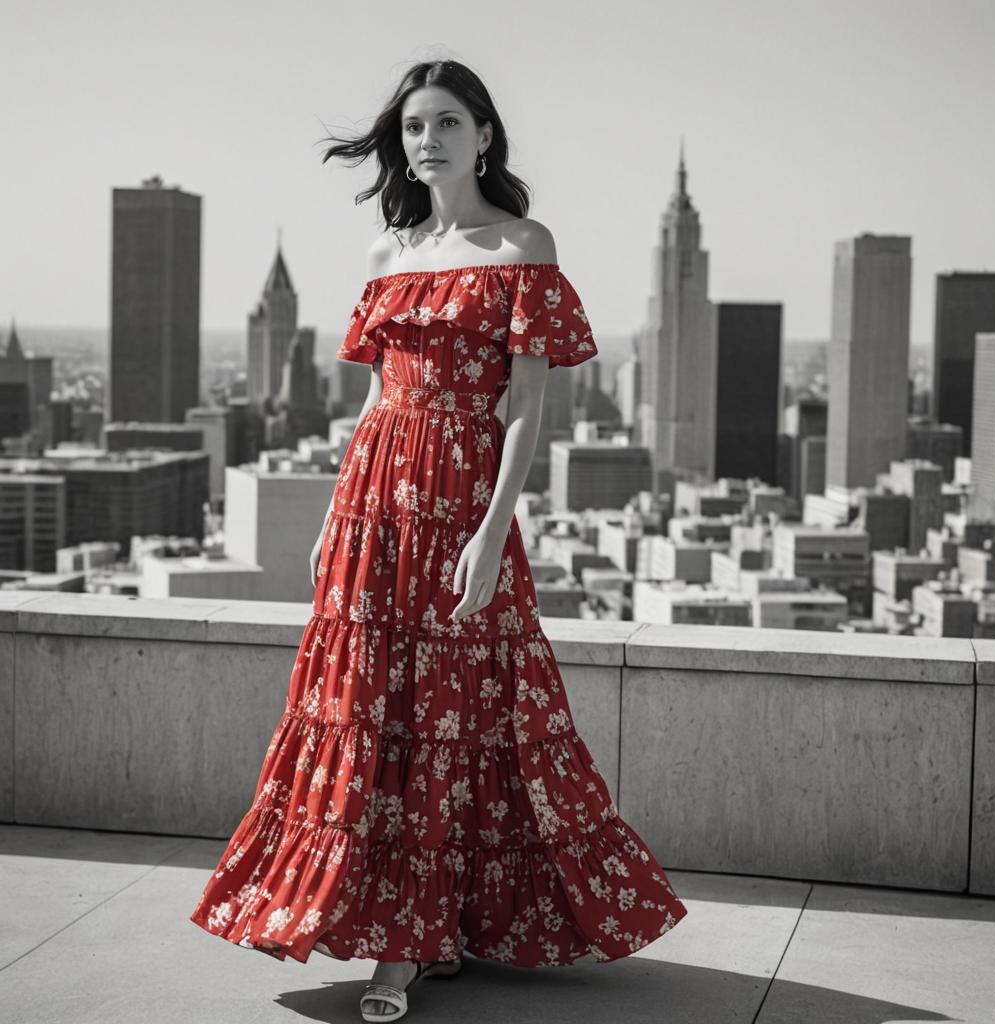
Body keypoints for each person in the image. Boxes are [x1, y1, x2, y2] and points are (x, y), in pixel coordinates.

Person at [189, 58, 687, 1022]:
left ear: (485, 135)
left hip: (461, 499)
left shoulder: (523, 245)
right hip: (378, 498)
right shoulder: (389, 252)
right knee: (370, 704)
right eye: (415, 127)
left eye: (448, 123)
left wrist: (493, 532)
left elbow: (527, 411)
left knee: (459, 710)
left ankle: (412, 943)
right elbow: (375, 396)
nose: (429, 140)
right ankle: (401, 930)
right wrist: (339, 511)